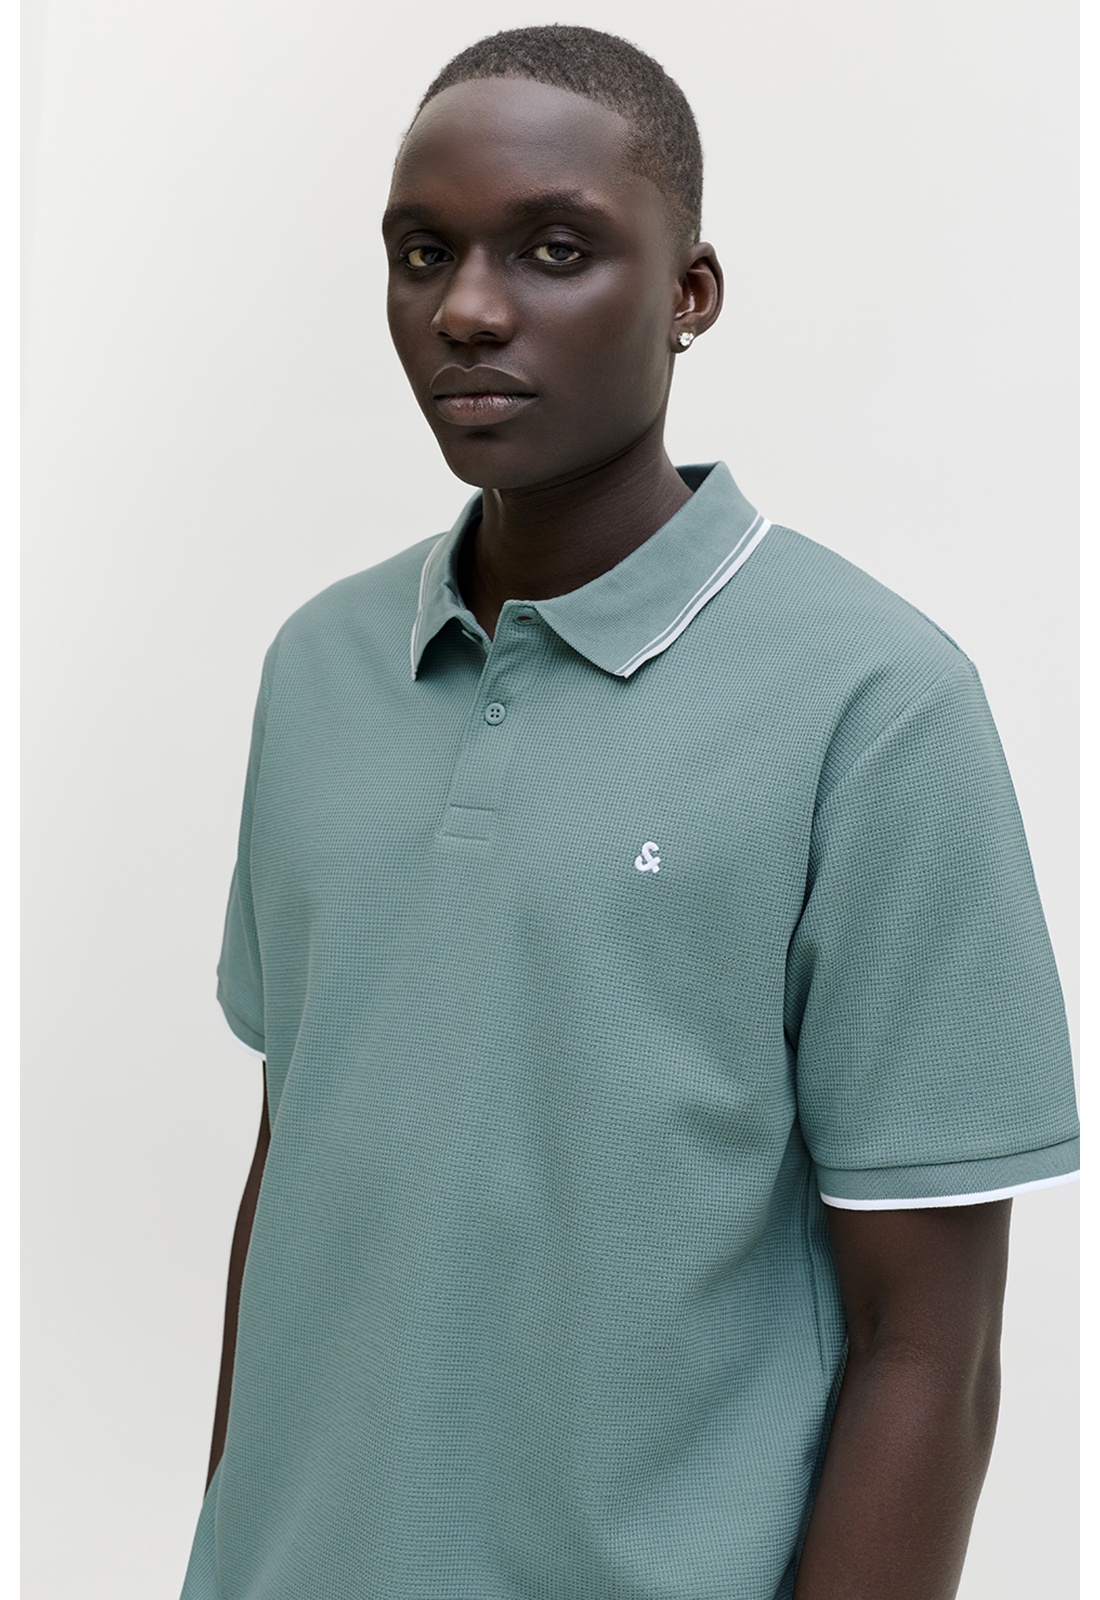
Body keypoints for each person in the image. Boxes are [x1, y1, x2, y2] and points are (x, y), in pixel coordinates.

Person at [179, 25, 1079, 1600]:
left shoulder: (875, 703)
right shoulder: (316, 668)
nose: (467, 309)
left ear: (690, 293)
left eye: (555, 249)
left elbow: (931, 1349)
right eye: (422, 251)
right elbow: (297, 1169)